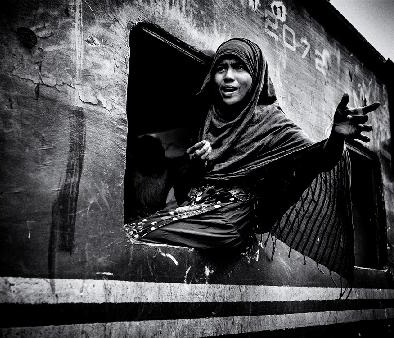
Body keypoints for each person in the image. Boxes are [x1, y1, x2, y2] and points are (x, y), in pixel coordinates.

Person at [124, 38, 379, 263]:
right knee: (134, 228)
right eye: (221, 68)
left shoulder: (272, 122)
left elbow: (317, 158)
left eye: (239, 67)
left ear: (256, 76)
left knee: (140, 234)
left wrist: (336, 138)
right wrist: (194, 163)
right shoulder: (209, 119)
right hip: (195, 210)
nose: (228, 77)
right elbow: (183, 189)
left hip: (227, 222)